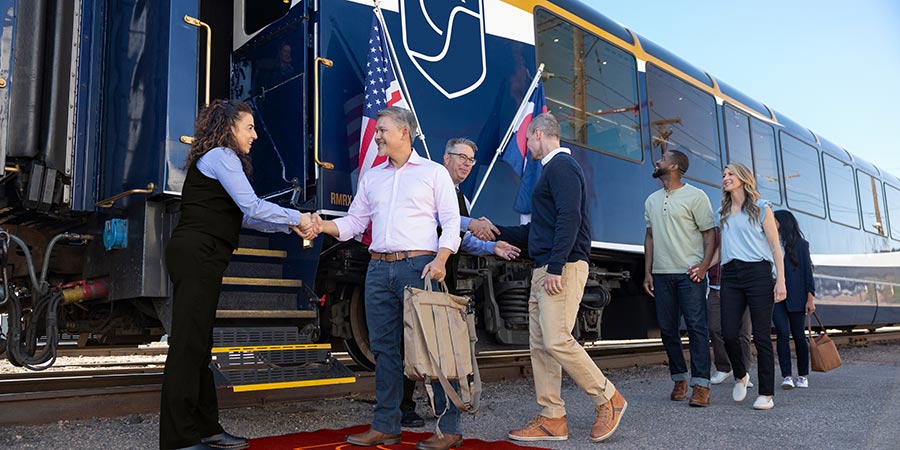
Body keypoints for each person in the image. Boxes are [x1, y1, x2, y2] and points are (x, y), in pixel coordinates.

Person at [306, 107, 465, 450]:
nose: (376, 135)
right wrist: (322, 225)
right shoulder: (373, 177)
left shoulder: (434, 173)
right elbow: (354, 224)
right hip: (377, 269)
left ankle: (449, 429)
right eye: (377, 130)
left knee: (433, 349)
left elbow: (452, 223)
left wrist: (441, 259)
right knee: (384, 349)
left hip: (419, 267)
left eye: (382, 130)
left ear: (404, 133)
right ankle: (386, 426)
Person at [160, 99, 313, 450]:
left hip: (204, 256)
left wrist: (290, 227)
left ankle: (206, 428)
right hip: (197, 254)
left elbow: (245, 217)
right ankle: (178, 439)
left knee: (200, 345)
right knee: (187, 345)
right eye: (249, 127)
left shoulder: (219, 160)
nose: (255, 135)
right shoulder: (222, 156)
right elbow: (252, 206)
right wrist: (298, 217)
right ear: (229, 128)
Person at [495, 113, 626, 443]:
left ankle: (609, 398)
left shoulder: (562, 167)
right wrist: (494, 230)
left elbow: (570, 217)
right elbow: (538, 231)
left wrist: (556, 267)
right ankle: (552, 417)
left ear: (539, 134)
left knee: (556, 339)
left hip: (562, 267)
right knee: (541, 345)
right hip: (545, 267)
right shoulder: (550, 171)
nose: (527, 147)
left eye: (527, 140)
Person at [399, 138, 521, 428]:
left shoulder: (461, 199)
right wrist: (472, 224)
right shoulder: (429, 183)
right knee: (410, 340)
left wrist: (493, 247)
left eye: (470, 160)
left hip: (444, 276)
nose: (466, 164)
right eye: (461, 157)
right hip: (419, 271)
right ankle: (402, 407)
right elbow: (441, 220)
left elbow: (463, 239)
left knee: (439, 342)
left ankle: (441, 403)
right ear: (446, 158)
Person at [643, 150, 716, 407]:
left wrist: (704, 266)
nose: (657, 161)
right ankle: (679, 378)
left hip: (689, 275)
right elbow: (649, 237)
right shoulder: (651, 200)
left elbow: (710, 234)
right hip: (661, 275)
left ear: (674, 167)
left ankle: (701, 385)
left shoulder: (696, 196)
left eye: (663, 159)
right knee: (667, 329)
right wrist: (647, 272)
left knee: (696, 328)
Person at [713, 162, 786, 410]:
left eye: (730, 174)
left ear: (743, 178)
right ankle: (741, 375)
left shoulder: (761, 207)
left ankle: (766, 394)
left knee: (762, 335)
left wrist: (781, 281)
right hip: (731, 275)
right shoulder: (722, 212)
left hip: (758, 273)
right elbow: (722, 249)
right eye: (724, 174)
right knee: (728, 332)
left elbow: (775, 246)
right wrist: (702, 267)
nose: (725, 177)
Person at [706, 228, 755, 387]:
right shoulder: (713, 229)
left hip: (740, 287)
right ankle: (724, 367)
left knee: (743, 332)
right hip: (715, 286)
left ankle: (744, 372)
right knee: (714, 328)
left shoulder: (743, 228)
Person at [773, 210, 815, 389]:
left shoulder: (801, 245)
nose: (771, 223)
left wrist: (810, 298)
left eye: (774, 220)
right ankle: (787, 376)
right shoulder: (769, 243)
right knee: (782, 334)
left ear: (784, 222)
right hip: (775, 297)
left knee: (798, 335)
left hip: (797, 296)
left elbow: (807, 272)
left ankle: (803, 375)